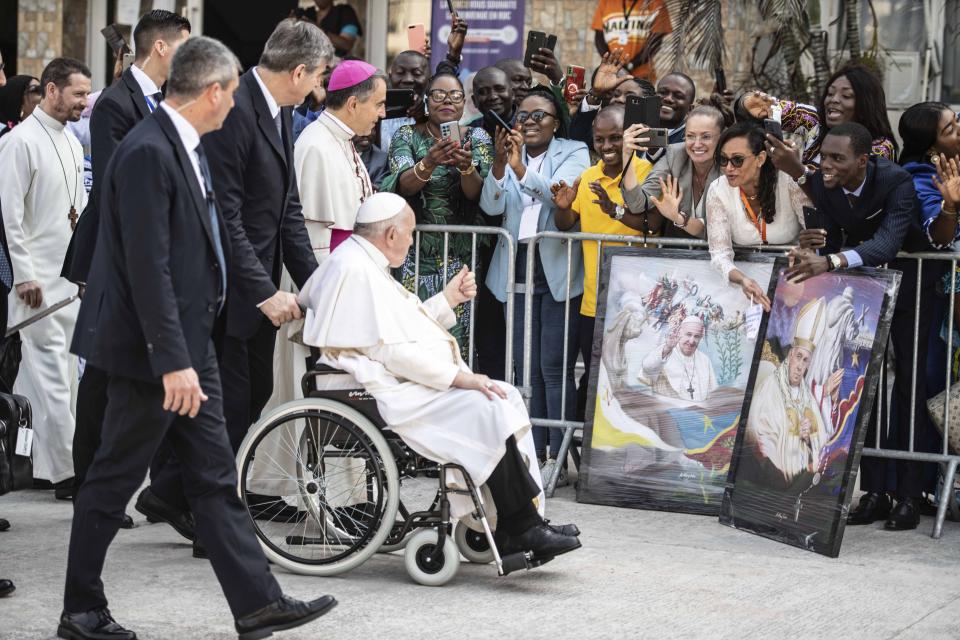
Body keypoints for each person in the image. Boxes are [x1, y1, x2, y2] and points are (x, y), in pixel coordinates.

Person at [61, 36, 337, 640]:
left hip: (191, 344)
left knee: (213, 478)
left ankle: (258, 604)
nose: (235, 103)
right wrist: (172, 361)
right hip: (152, 355)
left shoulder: (185, 144)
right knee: (111, 480)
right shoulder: (146, 152)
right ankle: (81, 608)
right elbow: (146, 266)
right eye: (232, 91)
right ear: (212, 91)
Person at [298, 191, 582, 562]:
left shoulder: (362, 262)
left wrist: (447, 300)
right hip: (373, 389)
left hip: (384, 379)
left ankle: (520, 520)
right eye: (411, 232)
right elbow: (391, 350)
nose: (414, 240)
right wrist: (459, 379)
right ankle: (520, 526)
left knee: (502, 395)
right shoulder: (355, 270)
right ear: (390, 235)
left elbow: (401, 330)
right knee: (486, 405)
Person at [62, 9, 191, 534]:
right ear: (161, 48)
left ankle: (160, 488)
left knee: (142, 366)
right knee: (101, 367)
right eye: (185, 45)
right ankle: (89, 484)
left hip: (153, 249)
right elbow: (122, 183)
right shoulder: (116, 103)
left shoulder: (168, 103)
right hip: (112, 249)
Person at [781, 122, 934, 531]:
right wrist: (812, 246)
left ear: (863, 160)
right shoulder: (824, 182)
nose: (825, 166)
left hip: (914, 287)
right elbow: (830, 233)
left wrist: (830, 260)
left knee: (908, 388)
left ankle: (909, 495)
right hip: (863, 292)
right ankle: (876, 492)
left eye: (836, 159)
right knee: (864, 391)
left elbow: (886, 243)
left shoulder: (896, 180)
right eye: (823, 157)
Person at [201, 19, 331, 457]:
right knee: (228, 404)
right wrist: (264, 292)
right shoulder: (234, 109)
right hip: (224, 287)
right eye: (318, 77)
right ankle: (189, 497)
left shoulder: (283, 111)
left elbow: (286, 211)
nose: (318, 88)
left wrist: (321, 285)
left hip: (257, 284)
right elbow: (224, 215)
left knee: (254, 393)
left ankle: (174, 492)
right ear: (298, 73)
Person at [480, 86, 590, 476]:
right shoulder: (509, 155)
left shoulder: (574, 151)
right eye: (522, 115)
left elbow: (562, 197)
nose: (528, 123)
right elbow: (491, 206)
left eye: (538, 115)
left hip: (556, 267)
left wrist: (522, 170)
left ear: (556, 121)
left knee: (553, 365)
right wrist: (498, 165)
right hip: (516, 264)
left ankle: (555, 456)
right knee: (523, 367)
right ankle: (532, 450)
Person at [0, 58, 91, 500]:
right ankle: (69, 474)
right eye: (77, 94)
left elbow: (79, 214)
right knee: (53, 377)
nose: (84, 102)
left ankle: (29, 464)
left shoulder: (73, 142)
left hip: (69, 281)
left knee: (50, 380)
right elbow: (9, 216)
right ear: (52, 90)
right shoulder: (20, 143)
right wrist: (22, 275)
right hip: (35, 283)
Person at [550, 104, 652, 422]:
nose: (607, 147)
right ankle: (586, 465)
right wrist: (564, 207)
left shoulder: (647, 172)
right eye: (600, 139)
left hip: (636, 308)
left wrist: (615, 210)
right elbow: (566, 223)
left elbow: (652, 223)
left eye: (615, 138)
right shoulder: (589, 176)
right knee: (593, 384)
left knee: (627, 385)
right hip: (593, 305)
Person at [380, 72, 494, 354]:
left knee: (457, 337)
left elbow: (478, 194)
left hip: (460, 256)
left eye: (455, 96)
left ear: (464, 103)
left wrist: (466, 168)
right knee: (414, 332)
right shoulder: (407, 135)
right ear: (427, 100)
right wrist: (429, 162)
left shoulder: (477, 137)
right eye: (438, 95)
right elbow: (403, 185)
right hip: (415, 254)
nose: (447, 101)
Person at [706, 121, 809, 310]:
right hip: (746, 285)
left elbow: (814, 229)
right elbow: (719, 254)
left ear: (761, 159)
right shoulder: (718, 189)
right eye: (723, 159)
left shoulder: (788, 181)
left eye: (737, 160)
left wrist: (804, 252)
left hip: (794, 279)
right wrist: (742, 280)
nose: (728, 168)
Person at [295, 59, 386, 257]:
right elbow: (313, 239)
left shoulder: (342, 140)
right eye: (379, 104)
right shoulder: (315, 146)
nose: (383, 113)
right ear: (353, 104)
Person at [746, 297, 837, 485]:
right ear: (790, 356)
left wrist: (809, 436)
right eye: (798, 357)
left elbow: (819, 438)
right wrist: (792, 432)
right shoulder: (771, 386)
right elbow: (760, 433)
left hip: (798, 471)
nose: (799, 366)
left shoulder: (805, 394)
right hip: (771, 470)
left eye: (805, 361)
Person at [744, 65, 896, 165]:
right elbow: (772, 108)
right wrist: (748, 103)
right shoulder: (815, 120)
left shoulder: (880, 148)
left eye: (846, 96)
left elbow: (840, 195)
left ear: (866, 105)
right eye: (830, 93)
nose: (834, 100)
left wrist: (794, 168)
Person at [620, 103, 725, 239]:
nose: (697, 144)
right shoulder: (675, 154)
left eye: (706, 137)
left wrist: (678, 218)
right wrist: (627, 154)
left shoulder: (729, 164)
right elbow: (638, 204)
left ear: (721, 137)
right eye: (691, 136)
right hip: (677, 254)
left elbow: (717, 230)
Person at [380, 15, 467, 151]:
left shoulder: (442, 107)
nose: (408, 79)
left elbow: (452, 151)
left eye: (417, 73)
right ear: (390, 76)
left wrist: (423, 118)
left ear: (429, 78)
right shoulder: (378, 108)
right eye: (401, 72)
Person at [591, 0, 672, 80]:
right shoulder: (606, 2)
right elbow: (599, 39)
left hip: (642, 75)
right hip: (612, 75)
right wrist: (614, 64)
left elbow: (655, 42)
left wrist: (631, 65)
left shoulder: (655, 3)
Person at [468, 65, 515, 139]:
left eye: (500, 89)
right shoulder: (468, 133)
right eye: (483, 92)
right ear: (474, 101)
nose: (493, 97)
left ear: (512, 94)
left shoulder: (531, 125)